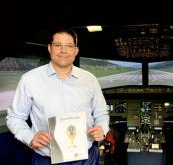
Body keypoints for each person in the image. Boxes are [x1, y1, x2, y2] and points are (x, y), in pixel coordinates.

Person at [6, 27, 109, 165]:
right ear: (50, 48)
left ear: (76, 51)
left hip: (86, 158)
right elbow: (15, 117)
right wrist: (29, 137)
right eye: (58, 45)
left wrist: (102, 128)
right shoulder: (29, 80)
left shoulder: (90, 79)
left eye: (69, 46)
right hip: (46, 159)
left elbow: (101, 113)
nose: (63, 51)